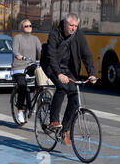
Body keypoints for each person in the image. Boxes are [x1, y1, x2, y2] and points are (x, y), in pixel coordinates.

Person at [41, 13, 97, 146]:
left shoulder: (78, 35)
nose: (73, 28)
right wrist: (58, 73)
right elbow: (51, 55)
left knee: (74, 97)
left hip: (68, 69)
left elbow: (86, 54)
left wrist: (91, 73)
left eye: (76, 26)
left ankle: (65, 129)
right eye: (71, 25)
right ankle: (53, 121)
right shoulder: (55, 34)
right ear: (65, 23)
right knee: (62, 87)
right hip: (51, 65)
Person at [11, 19, 42, 124]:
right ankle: (20, 111)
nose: (29, 27)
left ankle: (39, 95)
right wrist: (18, 56)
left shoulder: (35, 39)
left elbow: (41, 51)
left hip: (30, 65)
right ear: (21, 28)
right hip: (19, 66)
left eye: (30, 25)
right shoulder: (17, 38)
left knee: (41, 73)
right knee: (22, 86)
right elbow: (15, 50)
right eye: (26, 26)